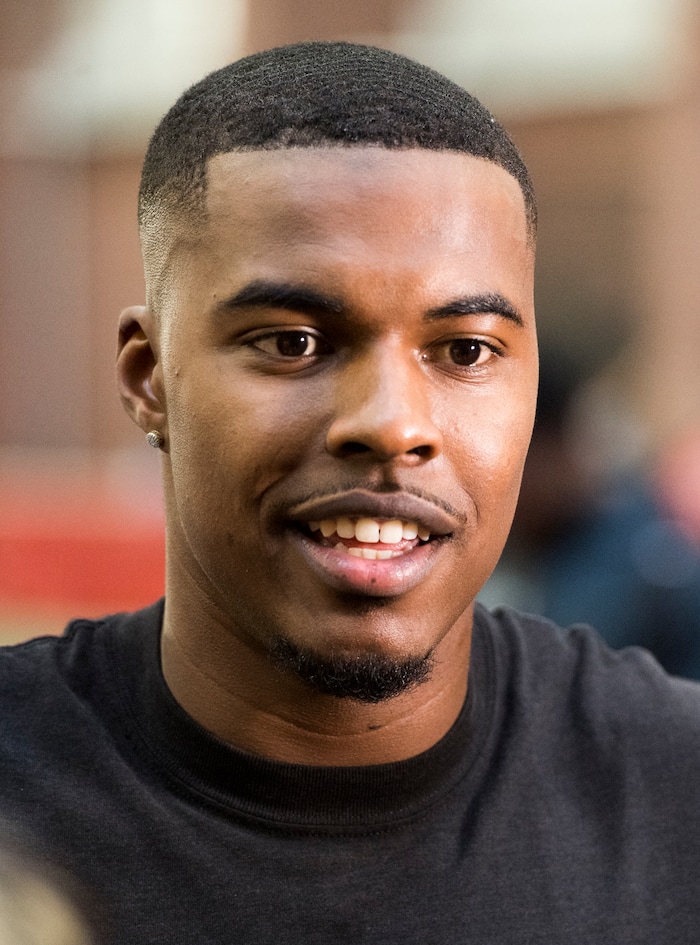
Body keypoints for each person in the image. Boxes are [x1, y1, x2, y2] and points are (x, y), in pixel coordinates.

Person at [1, 41, 700, 944]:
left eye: (466, 350)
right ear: (149, 377)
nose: (392, 424)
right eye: (293, 342)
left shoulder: (675, 794)